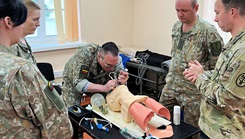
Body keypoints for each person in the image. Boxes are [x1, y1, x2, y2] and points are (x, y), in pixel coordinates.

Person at [0, 0, 73, 138]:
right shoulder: (20, 68)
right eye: (22, 21)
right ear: (9, 22)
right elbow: (58, 126)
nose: (22, 27)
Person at [183, 0, 245, 138]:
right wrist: (202, 73)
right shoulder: (235, 42)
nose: (215, 19)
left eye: (217, 13)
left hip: (226, 132)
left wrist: (200, 77)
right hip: (213, 128)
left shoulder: (242, 51)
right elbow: (224, 77)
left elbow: (227, 99)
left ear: (232, 12)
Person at [159, 0, 224, 129]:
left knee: (191, 130)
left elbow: (218, 67)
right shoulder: (176, 27)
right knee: (160, 120)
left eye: (184, 11)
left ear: (196, 8)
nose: (180, 14)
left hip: (193, 94)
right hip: (172, 85)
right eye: (177, 11)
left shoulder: (208, 32)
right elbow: (176, 55)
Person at [62, 42, 129, 107]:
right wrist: (104, 88)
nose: (112, 69)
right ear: (99, 56)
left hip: (98, 78)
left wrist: (122, 79)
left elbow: (120, 77)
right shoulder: (85, 53)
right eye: (109, 65)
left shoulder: (115, 59)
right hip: (74, 80)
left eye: (114, 65)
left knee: (103, 107)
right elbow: (79, 83)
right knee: (73, 110)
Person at [10, 0, 40, 64]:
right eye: (35, 19)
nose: (38, 24)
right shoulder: (12, 45)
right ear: (21, 18)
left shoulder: (23, 41)